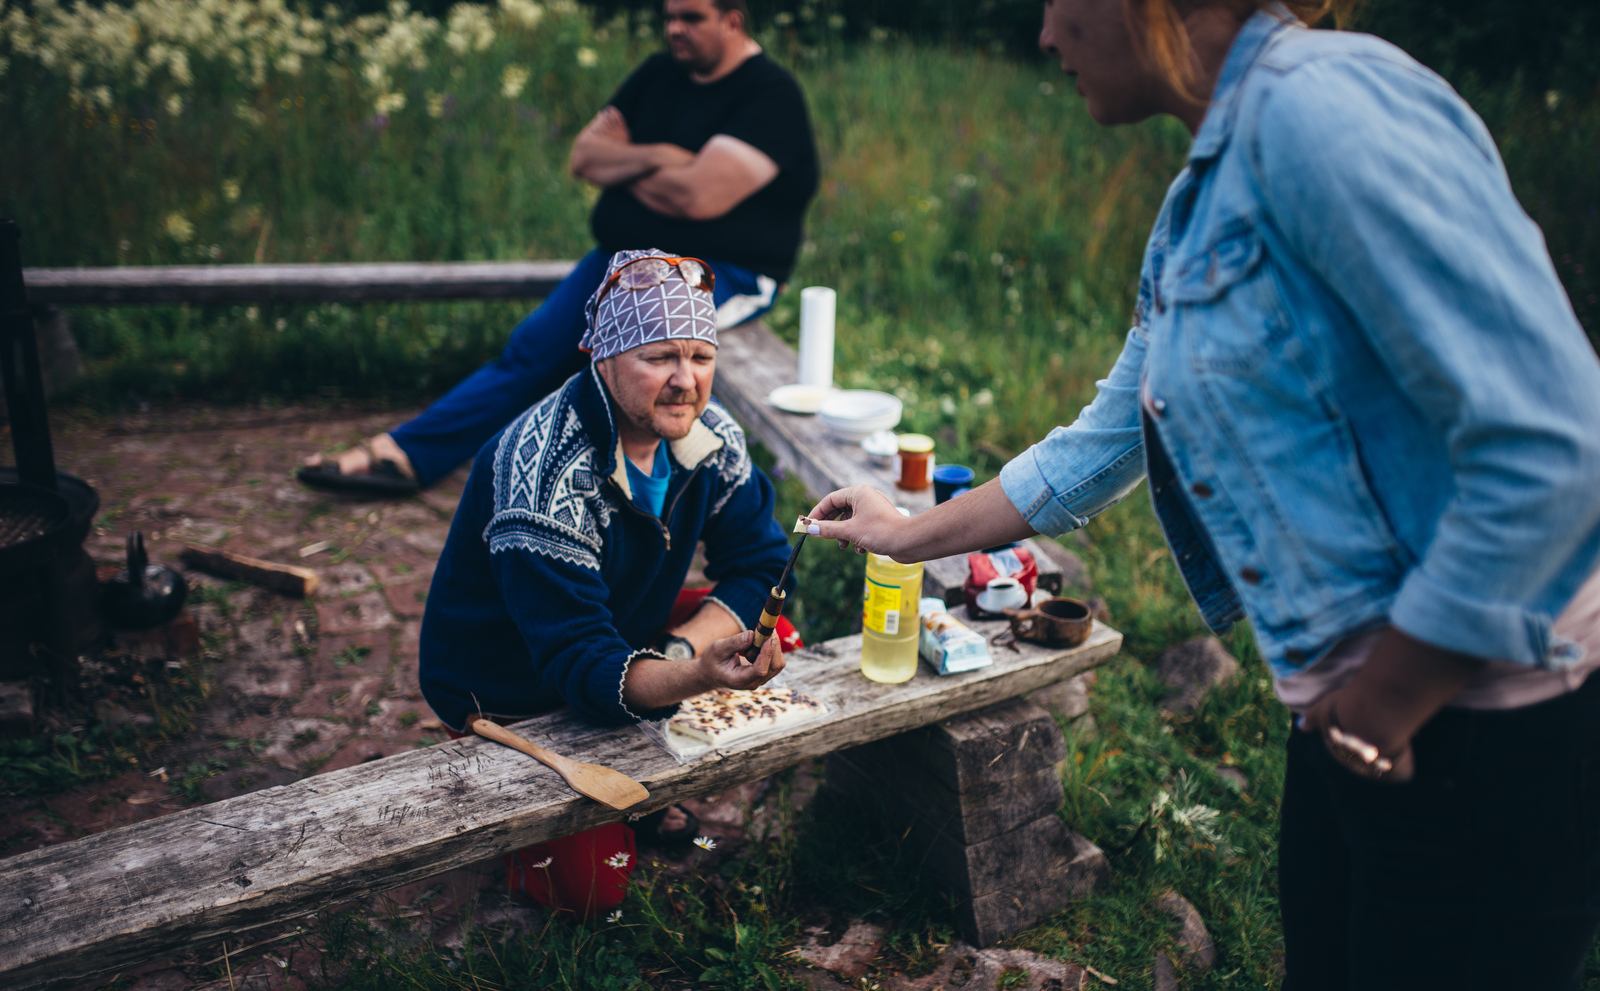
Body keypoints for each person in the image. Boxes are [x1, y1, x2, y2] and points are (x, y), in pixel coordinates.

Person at [803, 2, 1600, 988]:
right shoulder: (1199, 203)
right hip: (1357, 717)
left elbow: (1557, 443)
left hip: (1480, 722)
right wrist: (902, 531)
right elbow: (1099, 445)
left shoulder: (1322, 110)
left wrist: (1388, 701)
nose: (1044, 37)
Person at [300, 0, 819, 494]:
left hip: (719, 272)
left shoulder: (769, 96)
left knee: (627, 367)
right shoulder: (660, 74)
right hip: (624, 259)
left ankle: (621, 505)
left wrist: (624, 163)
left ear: (732, 20)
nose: (674, 29)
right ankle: (408, 455)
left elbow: (697, 196)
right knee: (531, 351)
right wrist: (662, 155)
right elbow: (585, 157)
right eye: (668, 17)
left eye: (691, 18)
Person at [419, 248, 797, 916]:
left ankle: (648, 749)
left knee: (769, 630)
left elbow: (761, 560)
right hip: (512, 687)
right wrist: (694, 673)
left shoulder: (709, 435)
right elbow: (584, 669)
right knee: (592, 893)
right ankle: (529, 811)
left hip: (616, 629)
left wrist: (681, 656)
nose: (686, 380)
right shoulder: (544, 472)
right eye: (658, 357)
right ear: (604, 357)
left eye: (700, 356)